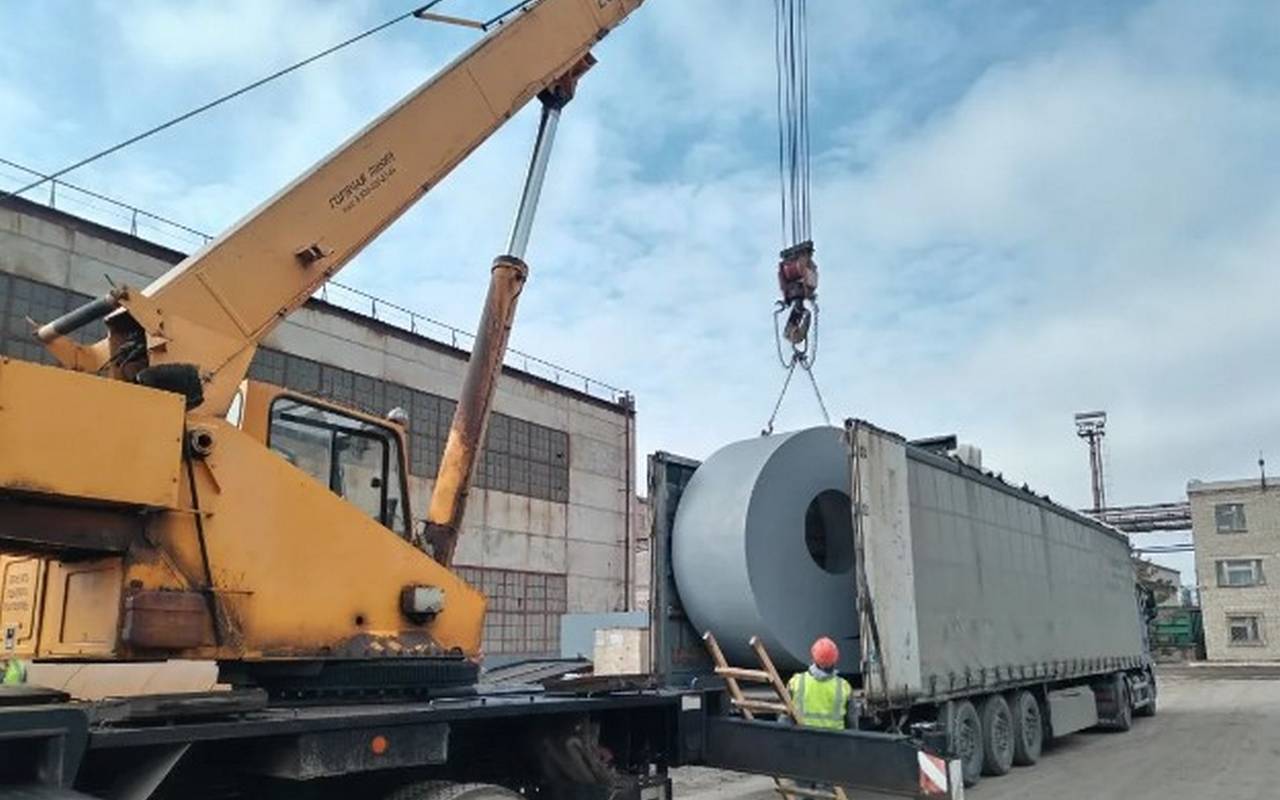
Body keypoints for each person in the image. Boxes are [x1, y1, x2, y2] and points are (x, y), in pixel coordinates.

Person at [788, 636, 853, 730]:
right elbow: (852, 724)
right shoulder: (844, 687)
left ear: (813, 658)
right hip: (835, 738)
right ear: (835, 660)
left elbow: (785, 716)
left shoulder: (796, 682)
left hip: (802, 736)